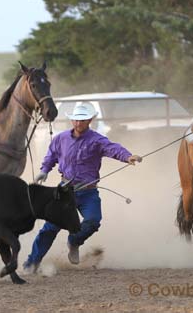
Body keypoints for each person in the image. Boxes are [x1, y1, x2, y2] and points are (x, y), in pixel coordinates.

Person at [23, 102, 142, 271]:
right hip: (64, 191)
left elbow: (113, 148)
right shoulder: (60, 139)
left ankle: (74, 241)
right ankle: (32, 263)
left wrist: (128, 157)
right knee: (50, 228)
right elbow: (51, 156)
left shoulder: (97, 140)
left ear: (89, 121)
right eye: (76, 120)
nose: (79, 124)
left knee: (93, 221)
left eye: (83, 120)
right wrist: (44, 171)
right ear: (72, 121)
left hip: (88, 192)